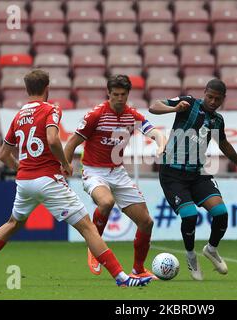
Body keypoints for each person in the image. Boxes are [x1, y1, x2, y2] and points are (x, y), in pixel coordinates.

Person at [0, 70, 152, 287]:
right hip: (48, 179)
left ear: (27, 90)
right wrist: (64, 163)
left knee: (13, 223)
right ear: (47, 89)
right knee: (88, 228)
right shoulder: (51, 109)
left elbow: (2, 155)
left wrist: (20, 168)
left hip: (24, 181)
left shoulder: (19, 116)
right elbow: (53, 140)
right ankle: (122, 278)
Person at [148, 79, 237, 281]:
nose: (212, 101)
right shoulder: (189, 104)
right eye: (210, 97)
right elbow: (153, 106)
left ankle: (211, 249)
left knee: (221, 212)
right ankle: (191, 256)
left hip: (197, 174)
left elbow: (224, 144)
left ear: (222, 100)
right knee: (190, 215)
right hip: (172, 174)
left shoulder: (217, 120)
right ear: (205, 93)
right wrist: (172, 108)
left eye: (217, 99)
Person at [64, 75, 166, 279]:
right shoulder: (96, 115)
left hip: (118, 173)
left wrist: (161, 145)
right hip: (94, 171)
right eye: (115, 94)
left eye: (123, 95)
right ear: (108, 93)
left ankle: (138, 270)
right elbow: (72, 143)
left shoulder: (132, 115)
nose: (119, 98)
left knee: (146, 222)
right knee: (106, 202)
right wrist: (65, 166)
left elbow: (155, 132)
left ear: (128, 94)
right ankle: (94, 247)